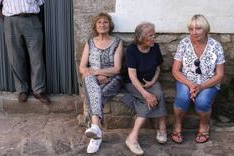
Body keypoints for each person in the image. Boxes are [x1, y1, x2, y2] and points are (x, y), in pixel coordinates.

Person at [171, 14, 225, 144]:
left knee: (202, 101)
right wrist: (191, 85)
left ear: (205, 29)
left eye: (198, 28)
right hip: (186, 80)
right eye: (191, 29)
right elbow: (175, 70)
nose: (194, 32)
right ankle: (177, 125)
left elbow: (220, 74)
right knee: (182, 98)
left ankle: (204, 126)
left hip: (209, 82)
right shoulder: (184, 43)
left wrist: (201, 87)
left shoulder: (216, 46)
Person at [79, 12, 123, 154]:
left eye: (105, 22)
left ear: (110, 25)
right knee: (88, 78)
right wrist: (95, 74)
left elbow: (117, 69)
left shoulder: (117, 42)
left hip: (112, 79)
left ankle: (95, 130)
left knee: (95, 95)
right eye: (99, 22)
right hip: (93, 78)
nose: (102, 25)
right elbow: (82, 67)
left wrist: (98, 72)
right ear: (95, 26)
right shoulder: (89, 42)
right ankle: (96, 129)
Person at [123, 22, 167, 156]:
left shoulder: (155, 47)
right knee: (147, 99)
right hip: (133, 83)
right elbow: (132, 76)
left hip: (150, 80)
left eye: (154, 34)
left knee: (159, 93)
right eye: (150, 35)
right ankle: (134, 137)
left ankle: (160, 129)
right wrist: (146, 94)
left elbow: (158, 67)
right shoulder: (131, 50)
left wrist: (153, 81)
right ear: (140, 37)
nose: (154, 37)